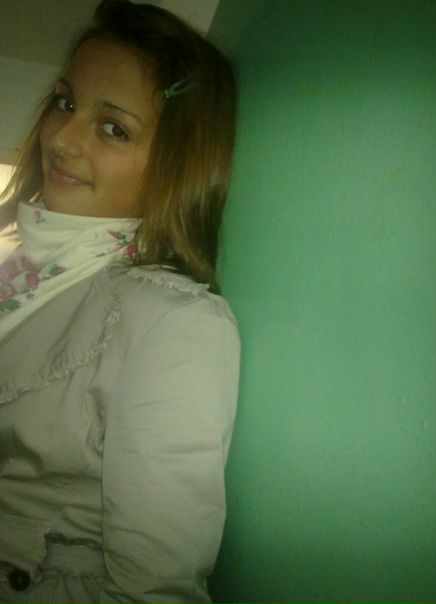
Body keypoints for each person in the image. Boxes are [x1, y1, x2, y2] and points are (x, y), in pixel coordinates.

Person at [0, 1, 240, 602]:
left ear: (176, 166)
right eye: (65, 102)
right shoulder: (20, 262)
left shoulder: (175, 324)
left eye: (114, 128)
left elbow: (154, 592)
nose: (60, 138)